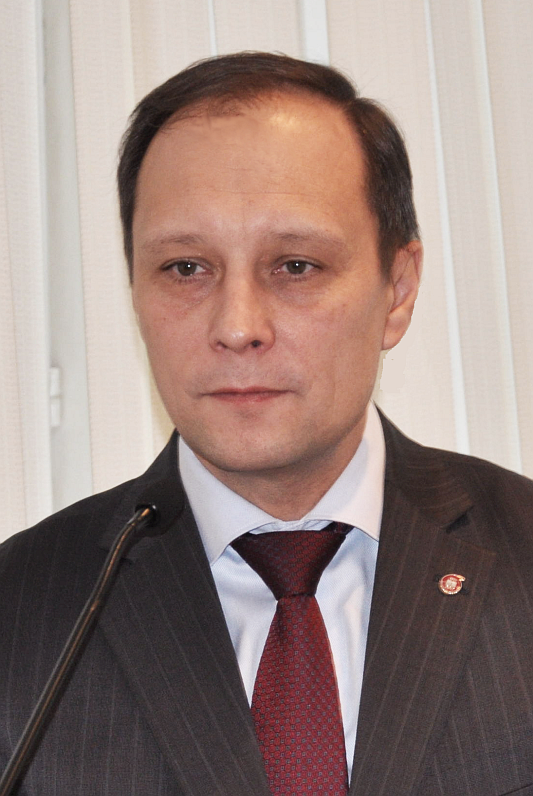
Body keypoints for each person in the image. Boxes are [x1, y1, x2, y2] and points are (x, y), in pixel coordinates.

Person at [1, 52, 533, 796]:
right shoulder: (20, 612)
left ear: (398, 289)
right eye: (186, 268)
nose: (237, 326)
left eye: (295, 266)